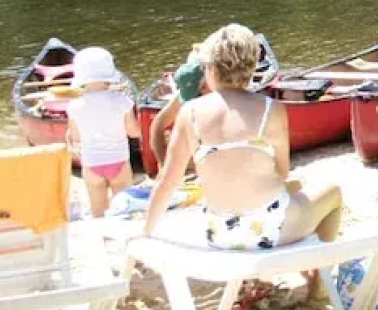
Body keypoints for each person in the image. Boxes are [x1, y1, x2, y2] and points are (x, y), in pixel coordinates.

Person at [144, 24, 344, 262]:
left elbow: (168, 181)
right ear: (252, 68)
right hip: (270, 229)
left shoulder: (190, 113)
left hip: (219, 232)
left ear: (209, 69)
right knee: (333, 193)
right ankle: (318, 286)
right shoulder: (272, 110)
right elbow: (281, 172)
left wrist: (145, 233)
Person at [65, 46, 138, 218]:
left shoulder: (74, 106)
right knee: (123, 212)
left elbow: (75, 137)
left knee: (99, 214)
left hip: (91, 165)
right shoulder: (122, 101)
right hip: (119, 162)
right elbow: (134, 132)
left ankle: (103, 241)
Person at [147, 42, 208, 179]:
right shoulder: (184, 94)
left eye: (197, 96)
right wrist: (164, 165)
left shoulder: (229, 96)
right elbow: (158, 125)